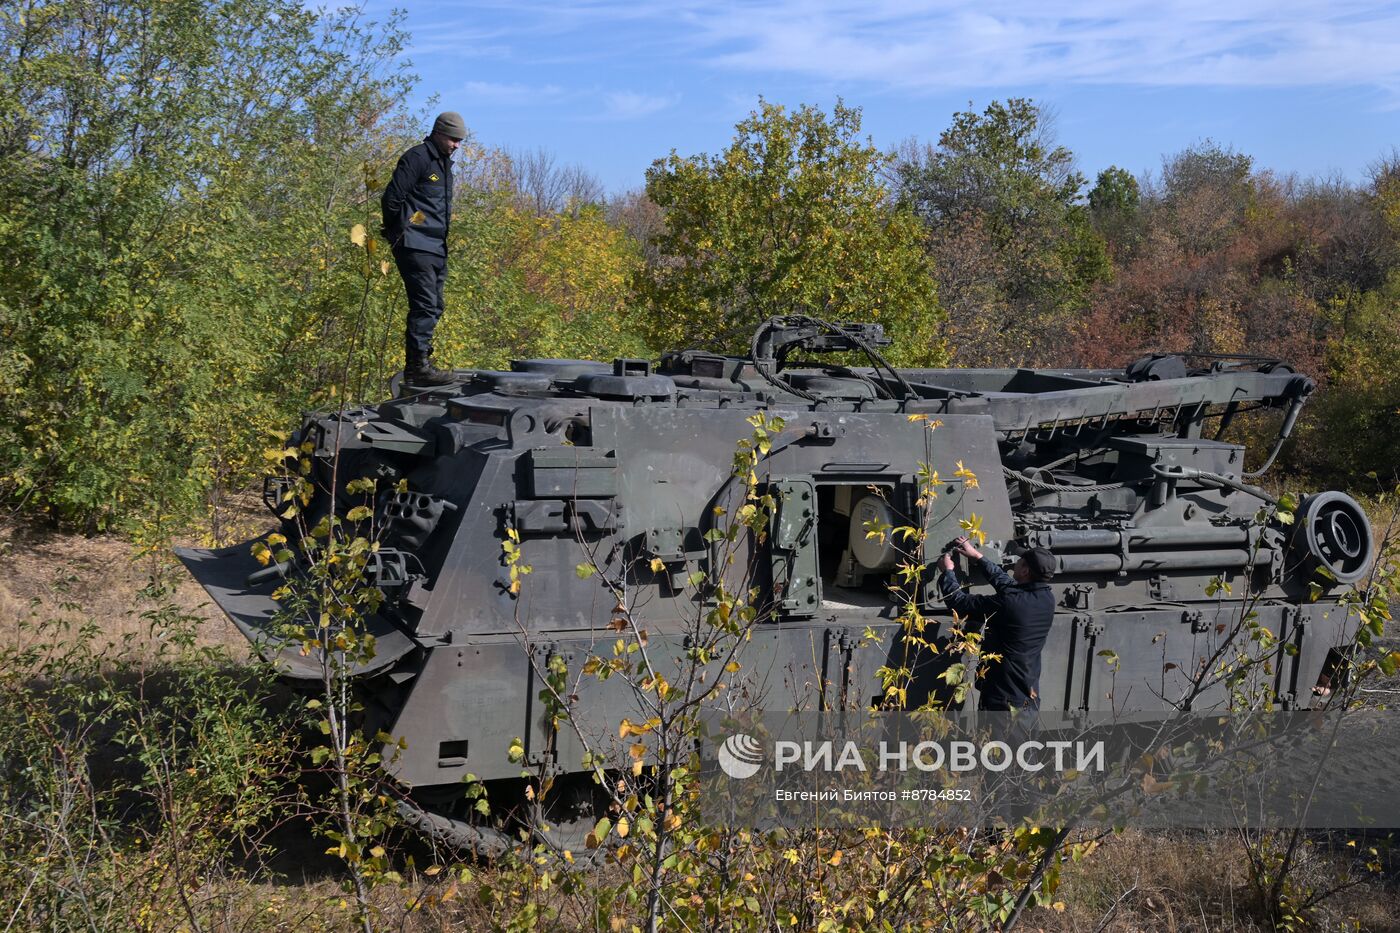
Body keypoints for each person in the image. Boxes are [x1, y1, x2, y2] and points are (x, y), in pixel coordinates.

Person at [381, 112, 466, 386]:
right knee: (425, 305)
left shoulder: (443, 166)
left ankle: (422, 361)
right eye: (453, 139)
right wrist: (398, 233)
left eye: (460, 141)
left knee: (435, 305)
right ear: (439, 133)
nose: (457, 145)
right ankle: (417, 368)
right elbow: (392, 199)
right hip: (414, 243)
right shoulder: (417, 158)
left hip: (436, 246)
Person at [937, 536, 1056, 711]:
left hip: (1002, 701)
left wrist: (947, 572)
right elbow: (1007, 585)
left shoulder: (1009, 602)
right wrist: (977, 557)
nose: (1016, 562)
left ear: (1025, 571)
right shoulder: (1046, 598)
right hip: (1026, 696)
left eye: (1020, 561)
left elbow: (959, 603)